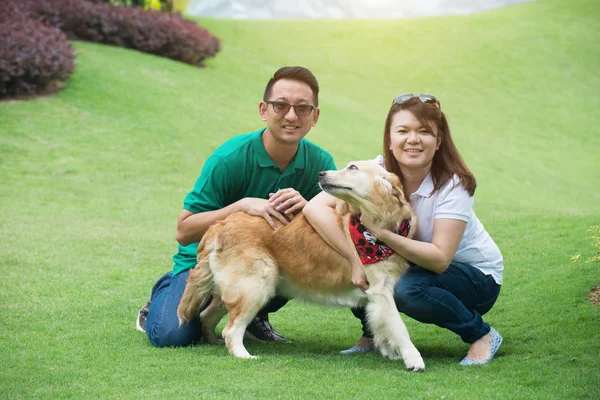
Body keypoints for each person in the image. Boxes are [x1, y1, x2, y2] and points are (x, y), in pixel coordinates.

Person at [136, 66, 337, 348]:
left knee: (291, 261)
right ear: (263, 110)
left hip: (268, 263)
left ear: (315, 116)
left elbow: (336, 233)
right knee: (172, 335)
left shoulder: (320, 164)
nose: (291, 116)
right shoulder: (229, 158)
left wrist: (309, 209)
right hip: (207, 260)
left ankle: (253, 313)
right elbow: (184, 231)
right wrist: (240, 206)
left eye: (303, 108)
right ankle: (166, 290)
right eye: (280, 105)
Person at [303, 93, 504, 365]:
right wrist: (355, 260)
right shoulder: (376, 170)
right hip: (418, 263)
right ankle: (374, 335)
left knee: (407, 289)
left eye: (424, 132)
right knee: (357, 248)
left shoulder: (453, 185)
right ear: (390, 139)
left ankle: (481, 335)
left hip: (474, 279)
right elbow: (314, 209)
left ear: (438, 141)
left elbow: (440, 259)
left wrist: (383, 234)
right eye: (403, 131)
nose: (413, 139)